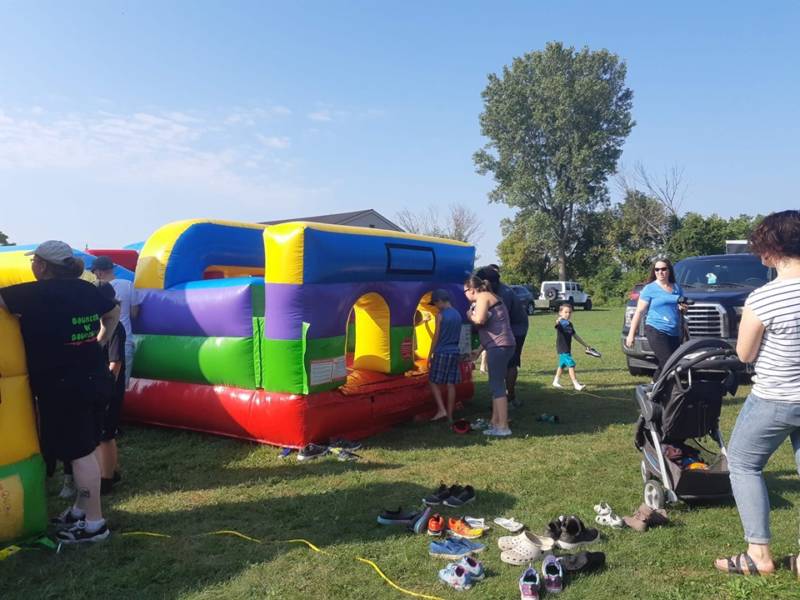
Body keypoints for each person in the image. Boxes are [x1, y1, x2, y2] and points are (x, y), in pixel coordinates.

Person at [0, 240, 120, 543]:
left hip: (65, 386)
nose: (32, 266)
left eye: (34, 261)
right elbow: (113, 312)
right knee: (87, 446)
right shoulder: (86, 289)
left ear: (42, 266)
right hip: (94, 378)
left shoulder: (34, 293)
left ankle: (94, 524)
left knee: (80, 454)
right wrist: (100, 341)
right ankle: (80, 510)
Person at [714, 210, 800, 576]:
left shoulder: (763, 298)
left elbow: (745, 354)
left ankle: (759, 554)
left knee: (744, 463)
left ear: (772, 249)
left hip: (775, 397)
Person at [464, 275, 516, 437]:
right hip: (501, 345)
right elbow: (492, 327)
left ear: (472, 290)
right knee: (496, 385)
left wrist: (469, 315)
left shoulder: (482, 297)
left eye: (465, 291)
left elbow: (479, 320)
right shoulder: (491, 296)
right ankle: (495, 422)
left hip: (499, 346)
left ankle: (503, 426)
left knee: (497, 385)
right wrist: (479, 350)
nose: (465, 295)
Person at [625, 258, 686, 380]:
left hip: (674, 332)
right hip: (656, 329)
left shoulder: (676, 288)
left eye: (663, 269)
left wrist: (683, 308)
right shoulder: (650, 289)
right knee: (668, 362)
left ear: (669, 270)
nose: (660, 272)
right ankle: (665, 388)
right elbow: (639, 312)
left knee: (668, 363)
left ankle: (654, 387)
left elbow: (681, 309)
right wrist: (631, 334)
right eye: (657, 269)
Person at [477, 265, 529, 407]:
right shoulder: (493, 292)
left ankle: (510, 397)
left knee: (511, 362)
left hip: (516, 328)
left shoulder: (503, 294)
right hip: (508, 327)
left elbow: (498, 320)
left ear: (489, 282)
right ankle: (501, 397)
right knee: (501, 363)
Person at [94, 281, 127, 495]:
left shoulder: (115, 327)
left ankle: (106, 480)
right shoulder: (100, 324)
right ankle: (111, 470)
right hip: (102, 387)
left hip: (109, 389)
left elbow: (115, 364)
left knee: (106, 435)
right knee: (102, 434)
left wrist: (104, 389)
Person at [91, 255, 140, 384]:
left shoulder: (94, 288)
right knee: (120, 386)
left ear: (98, 272)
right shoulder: (128, 284)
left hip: (101, 341)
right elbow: (135, 313)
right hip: (125, 341)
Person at [426, 289, 463, 423]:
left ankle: (441, 409)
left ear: (439, 301)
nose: (436, 307)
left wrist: (430, 354)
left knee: (432, 381)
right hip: (454, 351)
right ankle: (450, 416)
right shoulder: (458, 314)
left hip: (442, 351)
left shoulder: (440, 315)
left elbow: (436, 337)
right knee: (450, 384)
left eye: (435, 304)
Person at [552, 303, 590, 391]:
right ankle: (576, 384)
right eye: (565, 312)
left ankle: (555, 381)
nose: (568, 314)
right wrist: (558, 320)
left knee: (562, 365)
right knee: (571, 364)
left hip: (567, 348)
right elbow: (557, 325)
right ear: (560, 313)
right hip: (562, 348)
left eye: (570, 312)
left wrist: (585, 345)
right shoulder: (561, 323)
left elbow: (575, 335)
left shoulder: (569, 324)